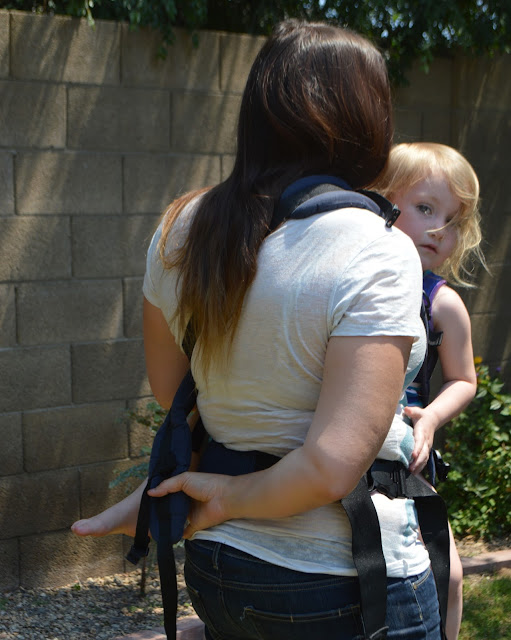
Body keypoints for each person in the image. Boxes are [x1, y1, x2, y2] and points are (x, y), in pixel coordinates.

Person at [73, 20, 442, 639]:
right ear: (367, 118)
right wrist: (225, 495)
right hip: (341, 579)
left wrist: (215, 496)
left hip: (221, 570)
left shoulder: (185, 227)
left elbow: (174, 393)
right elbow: (330, 467)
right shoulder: (378, 248)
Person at [371, 142, 486, 640]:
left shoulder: (442, 304)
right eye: (424, 208)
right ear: (383, 203)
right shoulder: (361, 280)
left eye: (454, 219)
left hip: (409, 460)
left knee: (450, 574)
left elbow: (464, 379)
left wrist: (432, 417)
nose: (440, 229)